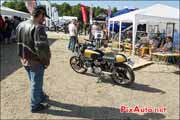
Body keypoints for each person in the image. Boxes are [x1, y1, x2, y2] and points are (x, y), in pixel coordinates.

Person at [16, 5, 51, 113]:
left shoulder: (20, 25)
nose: (44, 18)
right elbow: (42, 48)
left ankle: (40, 96)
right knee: (36, 84)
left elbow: (18, 43)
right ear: (40, 14)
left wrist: (22, 57)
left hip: (24, 59)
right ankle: (35, 106)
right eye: (44, 15)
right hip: (36, 61)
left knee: (34, 82)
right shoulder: (38, 27)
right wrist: (46, 62)